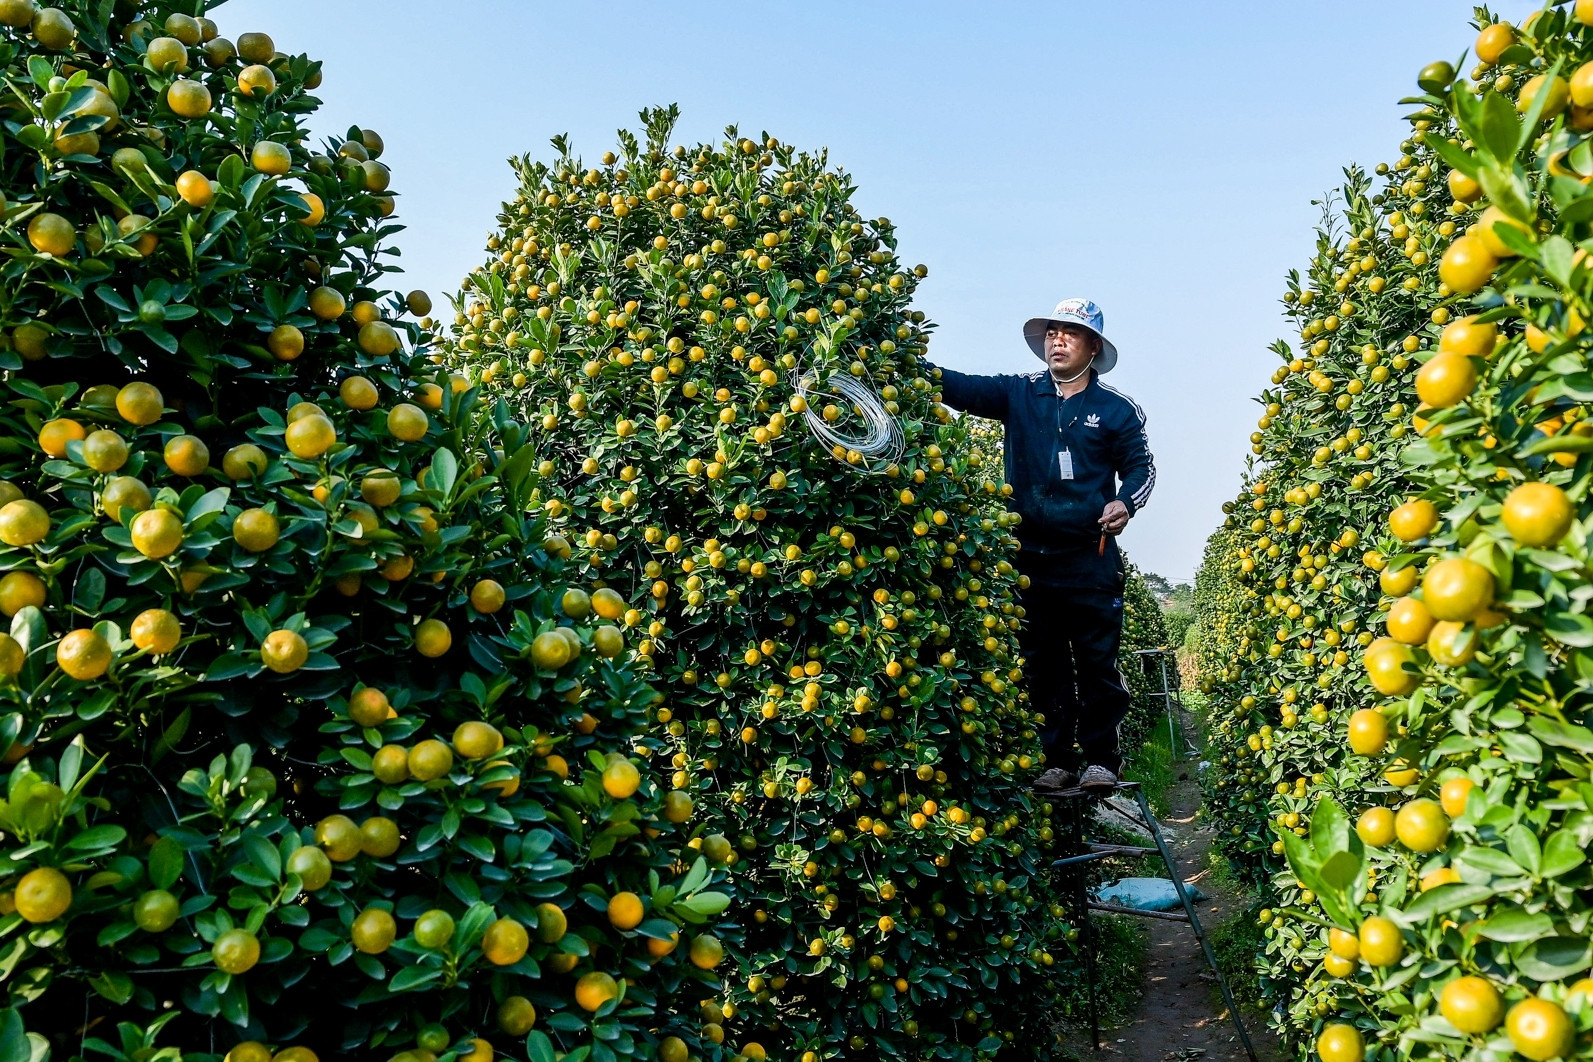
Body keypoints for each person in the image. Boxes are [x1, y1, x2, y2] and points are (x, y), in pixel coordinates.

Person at [931, 298, 1155, 792]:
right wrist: (905, 360)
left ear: (1092, 346)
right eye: (1052, 332)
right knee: (1043, 662)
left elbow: (1142, 469)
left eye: (1070, 333)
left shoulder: (1115, 410)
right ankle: (1057, 759)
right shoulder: (1019, 394)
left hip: (1088, 558)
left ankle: (1101, 758)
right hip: (1030, 558)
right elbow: (959, 387)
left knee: (1097, 662)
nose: (1057, 340)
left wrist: (1124, 504)